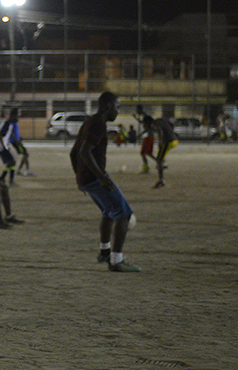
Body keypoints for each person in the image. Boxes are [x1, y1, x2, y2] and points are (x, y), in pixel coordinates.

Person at [72, 92, 140, 272]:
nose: (118, 112)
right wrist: (101, 177)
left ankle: (104, 252)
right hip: (95, 178)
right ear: (108, 106)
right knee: (124, 214)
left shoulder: (88, 122)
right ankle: (116, 260)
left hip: (87, 178)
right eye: (117, 107)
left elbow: (74, 152)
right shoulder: (98, 125)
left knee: (108, 212)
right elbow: (84, 152)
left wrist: (79, 177)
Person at [0, 107, 32, 181]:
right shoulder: (9, 123)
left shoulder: (11, 123)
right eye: (17, 115)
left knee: (13, 161)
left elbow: (11, 133)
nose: (18, 117)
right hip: (11, 143)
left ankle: (6, 177)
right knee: (23, 155)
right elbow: (4, 134)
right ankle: (24, 170)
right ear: (14, 115)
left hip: (11, 142)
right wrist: (15, 141)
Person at [144, 114, 178, 188]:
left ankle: (161, 181)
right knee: (160, 155)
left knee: (159, 159)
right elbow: (171, 123)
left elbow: (160, 130)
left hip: (168, 141)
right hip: (174, 140)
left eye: (145, 124)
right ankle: (163, 163)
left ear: (148, 122)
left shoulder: (153, 124)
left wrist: (160, 141)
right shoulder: (160, 120)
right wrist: (170, 132)